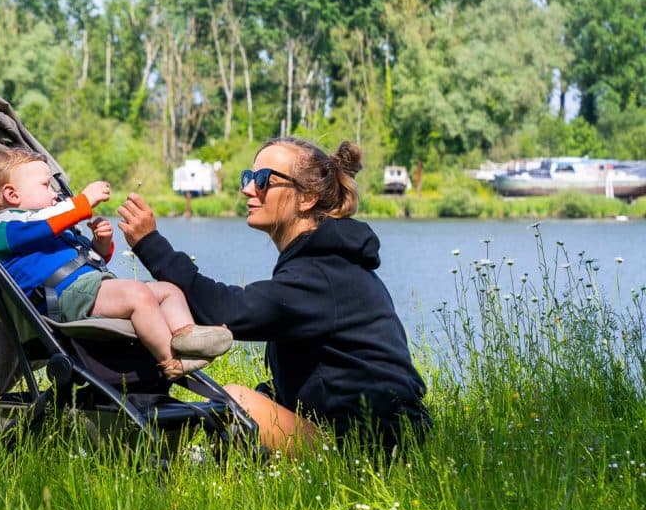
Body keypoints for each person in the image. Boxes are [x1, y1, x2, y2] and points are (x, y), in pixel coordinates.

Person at [117, 138, 430, 456]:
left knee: (234, 401)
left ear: (306, 198)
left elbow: (228, 311)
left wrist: (151, 244)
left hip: (376, 447)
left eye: (264, 179)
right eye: (247, 178)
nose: (248, 189)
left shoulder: (325, 273)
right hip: (361, 435)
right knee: (254, 401)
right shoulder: (322, 263)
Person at [0, 148, 233, 380]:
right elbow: (43, 226)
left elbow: (91, 261)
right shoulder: (3, 227)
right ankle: (171, 361)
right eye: (45, 186)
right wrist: (82, 202)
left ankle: (187, 337)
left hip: (88, 286)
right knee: (138, 295)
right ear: (11, 195)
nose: (54, 195)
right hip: (61, 298)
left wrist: (100, 244)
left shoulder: (47, 225)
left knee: (168, 290)